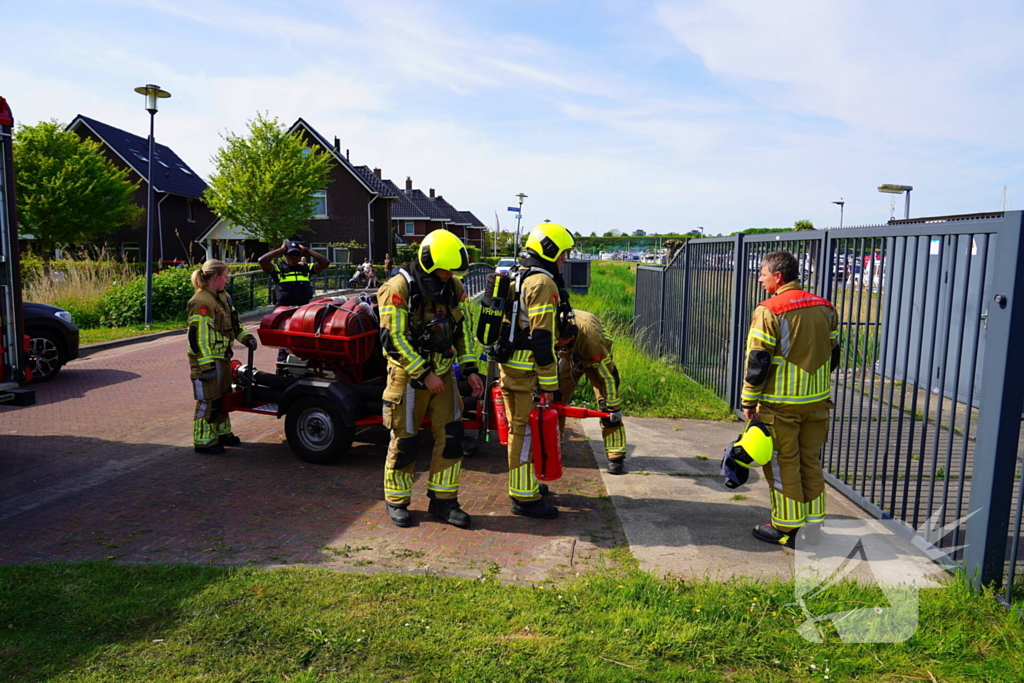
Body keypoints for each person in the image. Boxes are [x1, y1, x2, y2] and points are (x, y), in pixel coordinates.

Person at [377, 230, 485, 529]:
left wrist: (471, 368)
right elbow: (392, 339)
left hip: (444, 373)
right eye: (444, 270)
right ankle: (397, 501)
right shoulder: (397, 287)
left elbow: (460, 331)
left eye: (453, 271)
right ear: (427, 262)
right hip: (408, 374)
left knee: (452, 436)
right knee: (406, 440)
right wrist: (424, 374)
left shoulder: (452, 285)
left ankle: (443, 500)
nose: (449, 275)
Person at [741, 250, 840, 548]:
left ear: (778, 276)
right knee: (810, 461)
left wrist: (748, 401)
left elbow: (758, 361)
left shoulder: (769, 309)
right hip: (817, 402)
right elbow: (833, 354)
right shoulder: (826, 307)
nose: (760, 278)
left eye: (763, 273)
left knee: (784, 465)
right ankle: (814, 526)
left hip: (780, 405)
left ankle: (785, 528)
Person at [497, 221, 575, 520]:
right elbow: (542, 340)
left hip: (512, 368)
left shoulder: (520, 275)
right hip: (528, 372)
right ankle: (523, 498)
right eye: (562, 254)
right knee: (526, 433)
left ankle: (526, 485)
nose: (564, 260)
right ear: (550, 250)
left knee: (519, 430)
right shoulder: (542, 284)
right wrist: (549, 384)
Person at [187, 259, 258, 454]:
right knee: (209, 400)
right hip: (208, 361)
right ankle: (203, 440)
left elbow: (234, 325)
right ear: (215, 277)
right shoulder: (201, 302)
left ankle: (222, 432)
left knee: (223, 397)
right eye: (225, 277)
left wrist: (247, 338)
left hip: (223, 358)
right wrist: (206, 365)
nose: (227, 281)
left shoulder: (223, 298)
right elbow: (198, 337)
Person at [555, 308, 627, 474]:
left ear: (571, 338)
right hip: (570, 359)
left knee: (607, 408)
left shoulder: (592, 343)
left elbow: (608, 376)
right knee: (555, 401)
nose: (559, 346)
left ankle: (615, 456)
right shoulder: (554, 328)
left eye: (563, 344)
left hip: (595, 359)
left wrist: (614, 407)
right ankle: (554, 447)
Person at [258, 239, 330, 362]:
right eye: (291, 254)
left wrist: (307, 250)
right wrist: (281, 250)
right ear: (286, 255)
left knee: (305, 339)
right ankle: (282, 365)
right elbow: (262, 261)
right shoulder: (278, 269)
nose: (294, 257)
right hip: (285, 311)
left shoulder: (305, 268)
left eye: (297, 254)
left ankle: (307, 363)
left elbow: (325, 262)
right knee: (285, 343)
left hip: (303, 311)